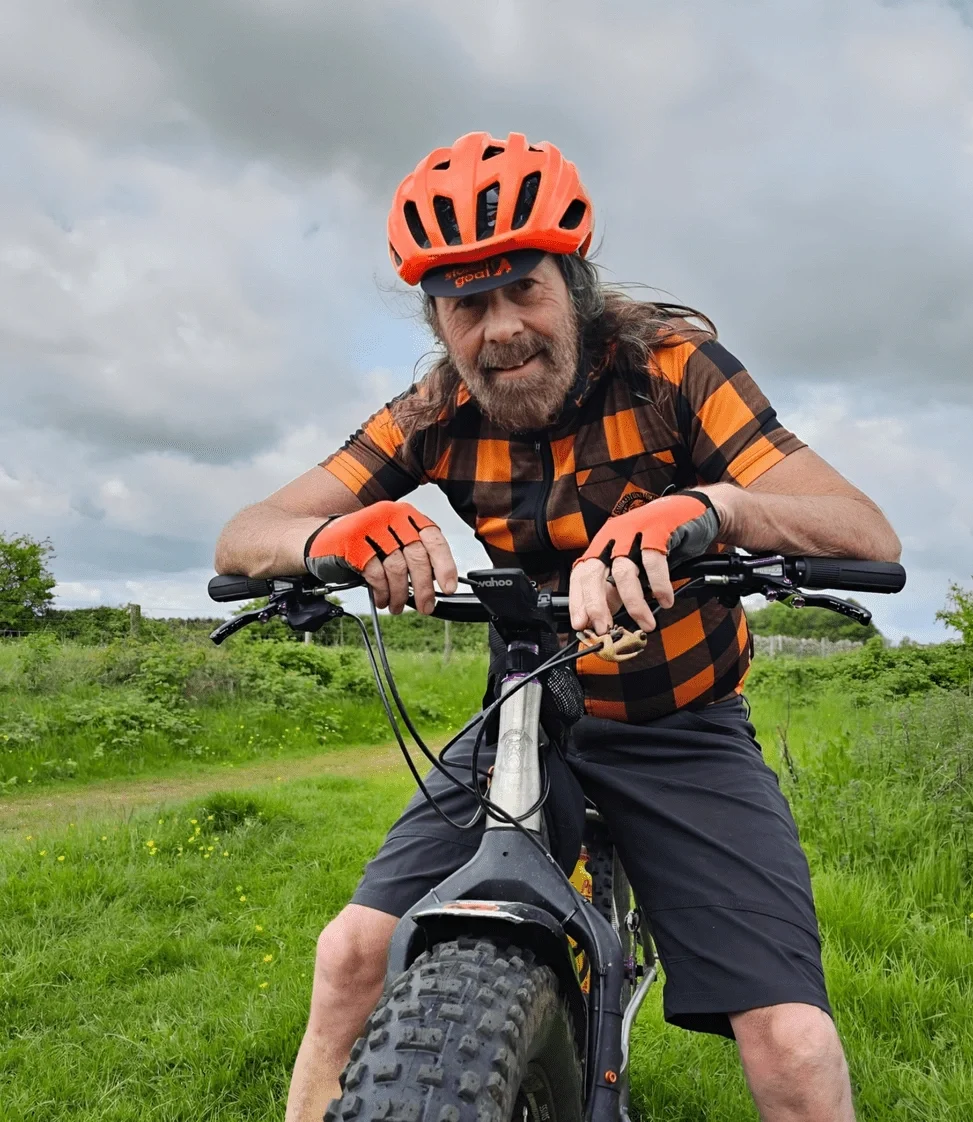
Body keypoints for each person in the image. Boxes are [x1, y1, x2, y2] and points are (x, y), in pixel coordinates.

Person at [214, 131, 901, 1122]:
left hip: (683, 723)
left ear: (572, 284)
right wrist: (330, 537)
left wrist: (711, 509)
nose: (500, 329)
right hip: (527, 712)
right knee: (351, 956)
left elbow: (860, 527)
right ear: (437, 319)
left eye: (522, 290)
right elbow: (247, 534)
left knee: (791, 1042)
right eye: (467, 305)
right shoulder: (432, 411)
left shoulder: (671, 369)